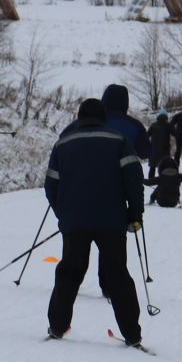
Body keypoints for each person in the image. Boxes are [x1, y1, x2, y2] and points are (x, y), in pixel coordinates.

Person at [44, 97, 145, 345]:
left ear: (79, 117)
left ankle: (57, 326)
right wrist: (135, 213)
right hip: (112, 220)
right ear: (103, 118)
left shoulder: (63, 144)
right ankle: (132, 334)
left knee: (69, 272)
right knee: (117, 274)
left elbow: (51, 185)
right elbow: (133, 178)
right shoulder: (119, 141)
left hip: (74, 220)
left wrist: (63, 213)